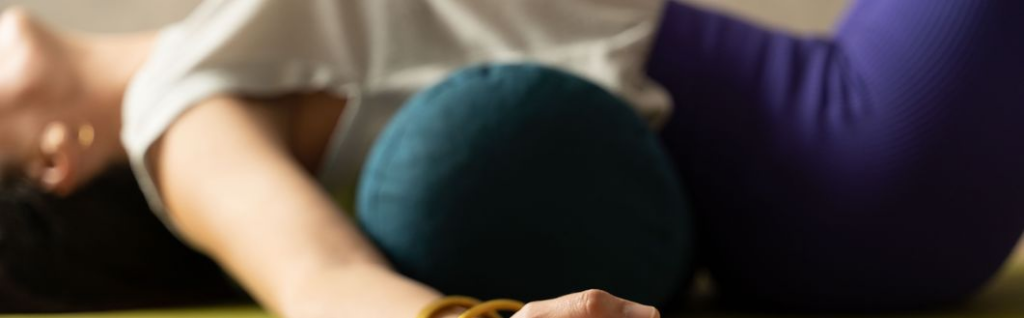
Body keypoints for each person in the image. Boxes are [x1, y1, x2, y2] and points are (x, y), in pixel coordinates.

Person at [0, 0, 1022, 316]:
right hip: (847, 158)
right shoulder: (177, 123)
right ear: (52, 163)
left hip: (818, 116)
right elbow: (316, 280)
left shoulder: (191, 46)